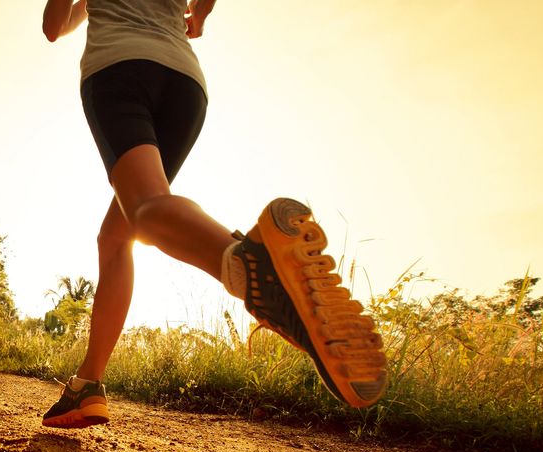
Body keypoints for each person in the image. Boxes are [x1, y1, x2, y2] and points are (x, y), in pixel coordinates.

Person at [40, 0, 388, 429]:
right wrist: (200, 15)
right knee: (116, 236)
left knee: (145, 208)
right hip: (184, 84)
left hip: (119, 67)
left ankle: (249, 263)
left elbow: (54, 26)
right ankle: (88, 384)